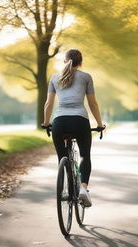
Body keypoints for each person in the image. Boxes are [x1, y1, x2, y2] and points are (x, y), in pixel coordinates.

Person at [42, 49, 105, 207]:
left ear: (65, 61)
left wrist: (45, 122)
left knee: (61, 157)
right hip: (79, 121)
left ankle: (67, 189)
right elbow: (93, 104)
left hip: (59, 122)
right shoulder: (86, 77)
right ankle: (83, 188)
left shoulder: (54, 78)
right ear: (80, 62)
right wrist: (99, 124)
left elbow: (49, 104)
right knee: (85, 156)